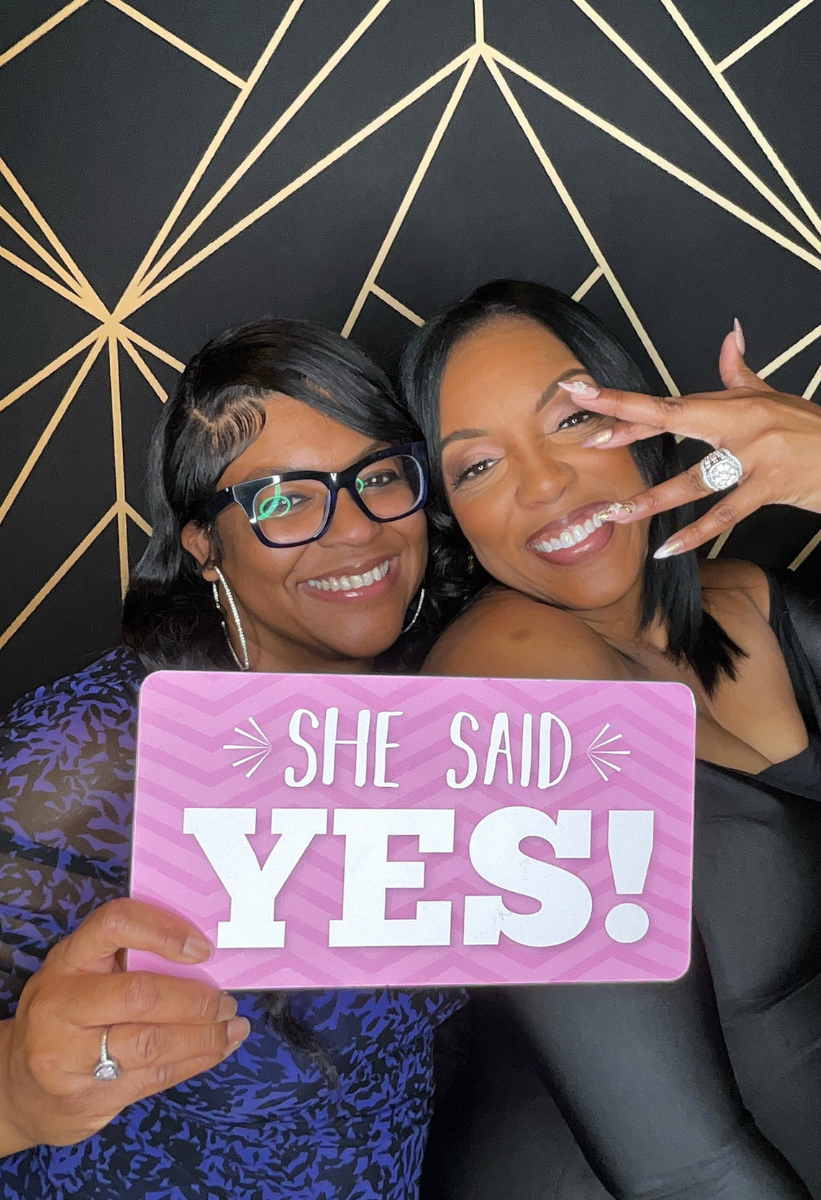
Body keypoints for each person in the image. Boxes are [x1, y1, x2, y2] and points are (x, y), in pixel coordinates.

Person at [401, 280, 821, 1200]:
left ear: (647, 421)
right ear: (453, 516)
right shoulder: (510, 685)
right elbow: (677, 1166)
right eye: (477, 466)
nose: (544, 483)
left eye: (574, 419)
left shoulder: (739, 604)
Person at [0, 318, 464, 1199]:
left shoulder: (457, 711)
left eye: (378, 476)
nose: (356, 531)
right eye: (284, 500)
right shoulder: (98, 749)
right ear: (205, 546)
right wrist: (19, 1094)